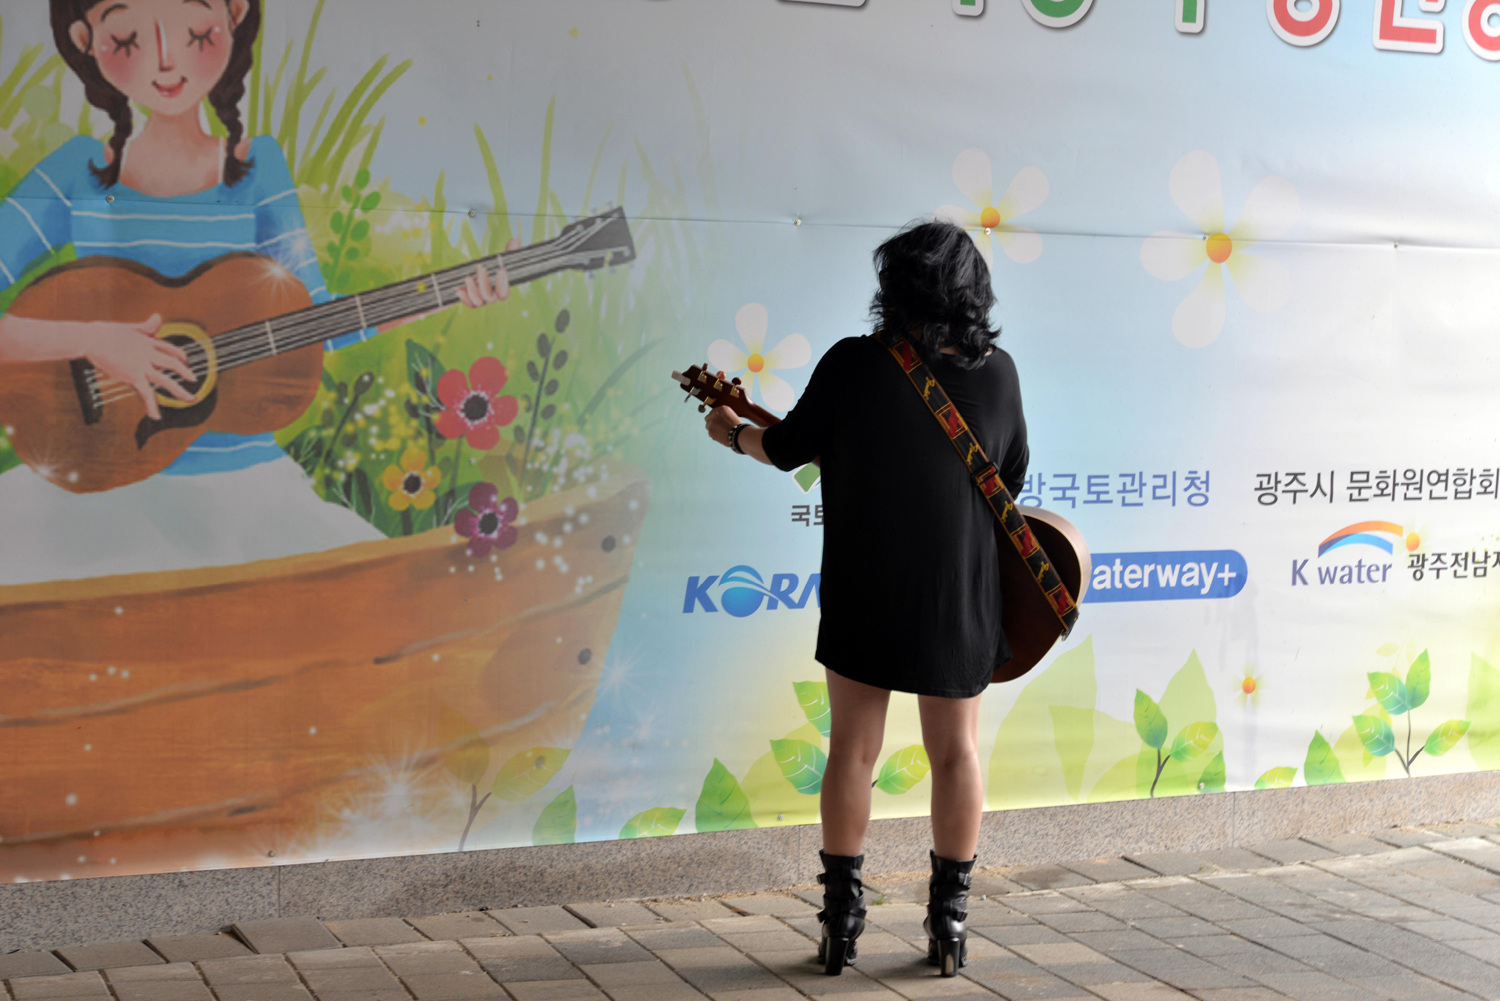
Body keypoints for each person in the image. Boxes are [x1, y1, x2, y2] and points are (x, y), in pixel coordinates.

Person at [0, 0, 514, 585]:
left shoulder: (255, 170)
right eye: (128, 41)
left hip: (243, 490)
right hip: (100, 486)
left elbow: (316, 323)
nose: (166, 61)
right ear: (83, 39)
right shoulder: (76, 172)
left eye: (195, 33)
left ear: (235, 15)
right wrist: (97, 341)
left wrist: (450, 292)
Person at [703, 220, 1028, 977]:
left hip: (867, 582)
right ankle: (949, 921)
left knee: (852, 748)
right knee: (957, 752)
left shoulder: (854, 362)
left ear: (894, 288)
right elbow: (1009, 477)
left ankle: (842, 920)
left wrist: (732, 432)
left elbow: (787, 447)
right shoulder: (1001, 372)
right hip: (959, 588)